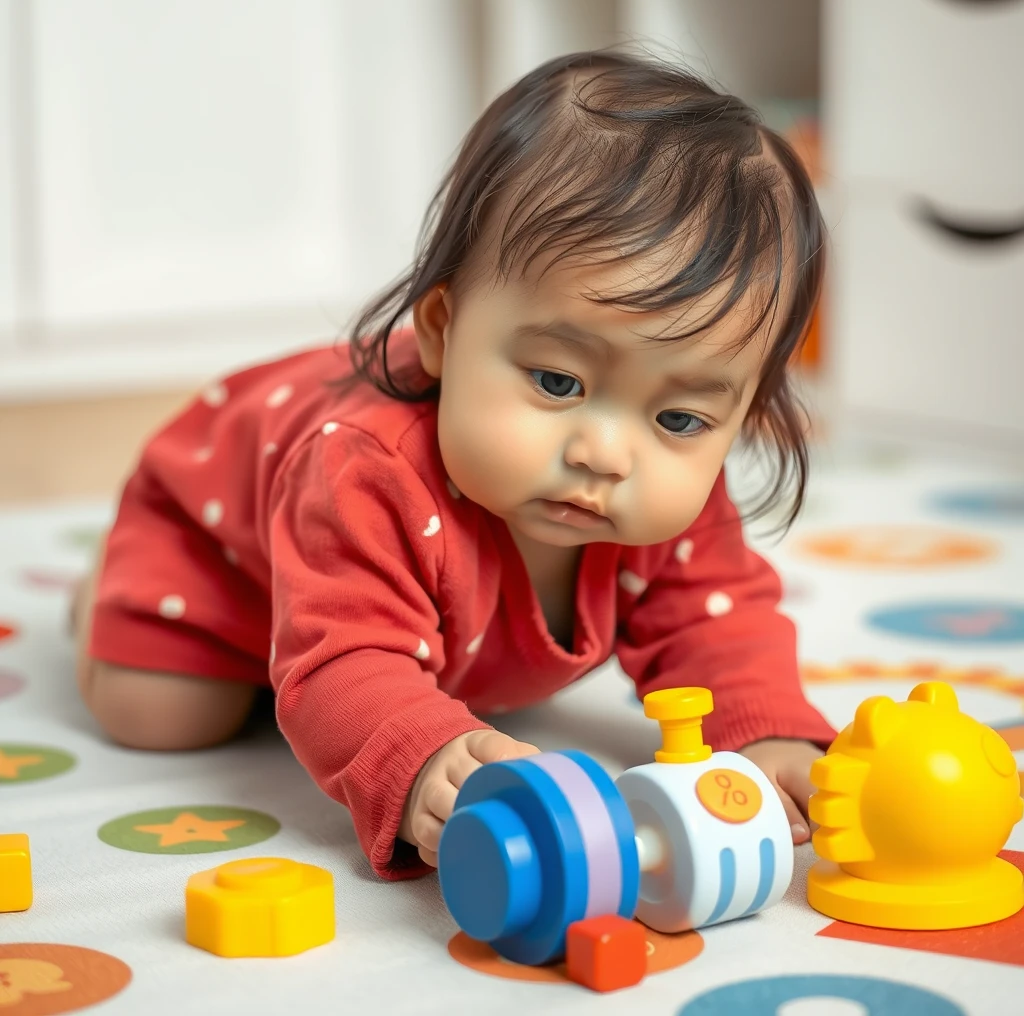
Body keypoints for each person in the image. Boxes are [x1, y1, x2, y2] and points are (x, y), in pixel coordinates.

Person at [73, 50, 835, 880]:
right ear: (442, 328)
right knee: (162, 712)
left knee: (475, 692)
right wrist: (419, 754)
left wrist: (763, 731)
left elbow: (714, 621)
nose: (607, 453)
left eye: (681, 416)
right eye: (557, 381)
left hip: (366, 587)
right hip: (216, 543)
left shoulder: (669, 474)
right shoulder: (366, 469)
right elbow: (347, 663)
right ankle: (100, 595)